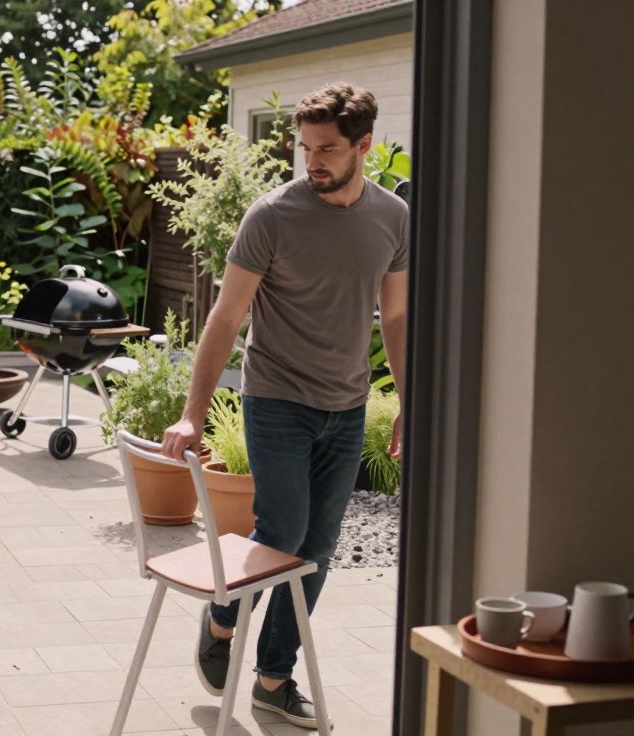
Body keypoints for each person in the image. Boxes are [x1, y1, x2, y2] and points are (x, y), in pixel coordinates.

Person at [160, 82, 408, 730]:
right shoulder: (273, 216)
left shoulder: (392, 218)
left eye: (326, 148)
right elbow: (226, 316)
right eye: (305, 147)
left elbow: (398, 315)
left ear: (364, 146)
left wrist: (408, 400)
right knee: (282, 533)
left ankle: (273, 678)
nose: (313, 160)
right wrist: (193, 409)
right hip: (275, 398)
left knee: (318, 549)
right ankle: (222, 617)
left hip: (347, 405)